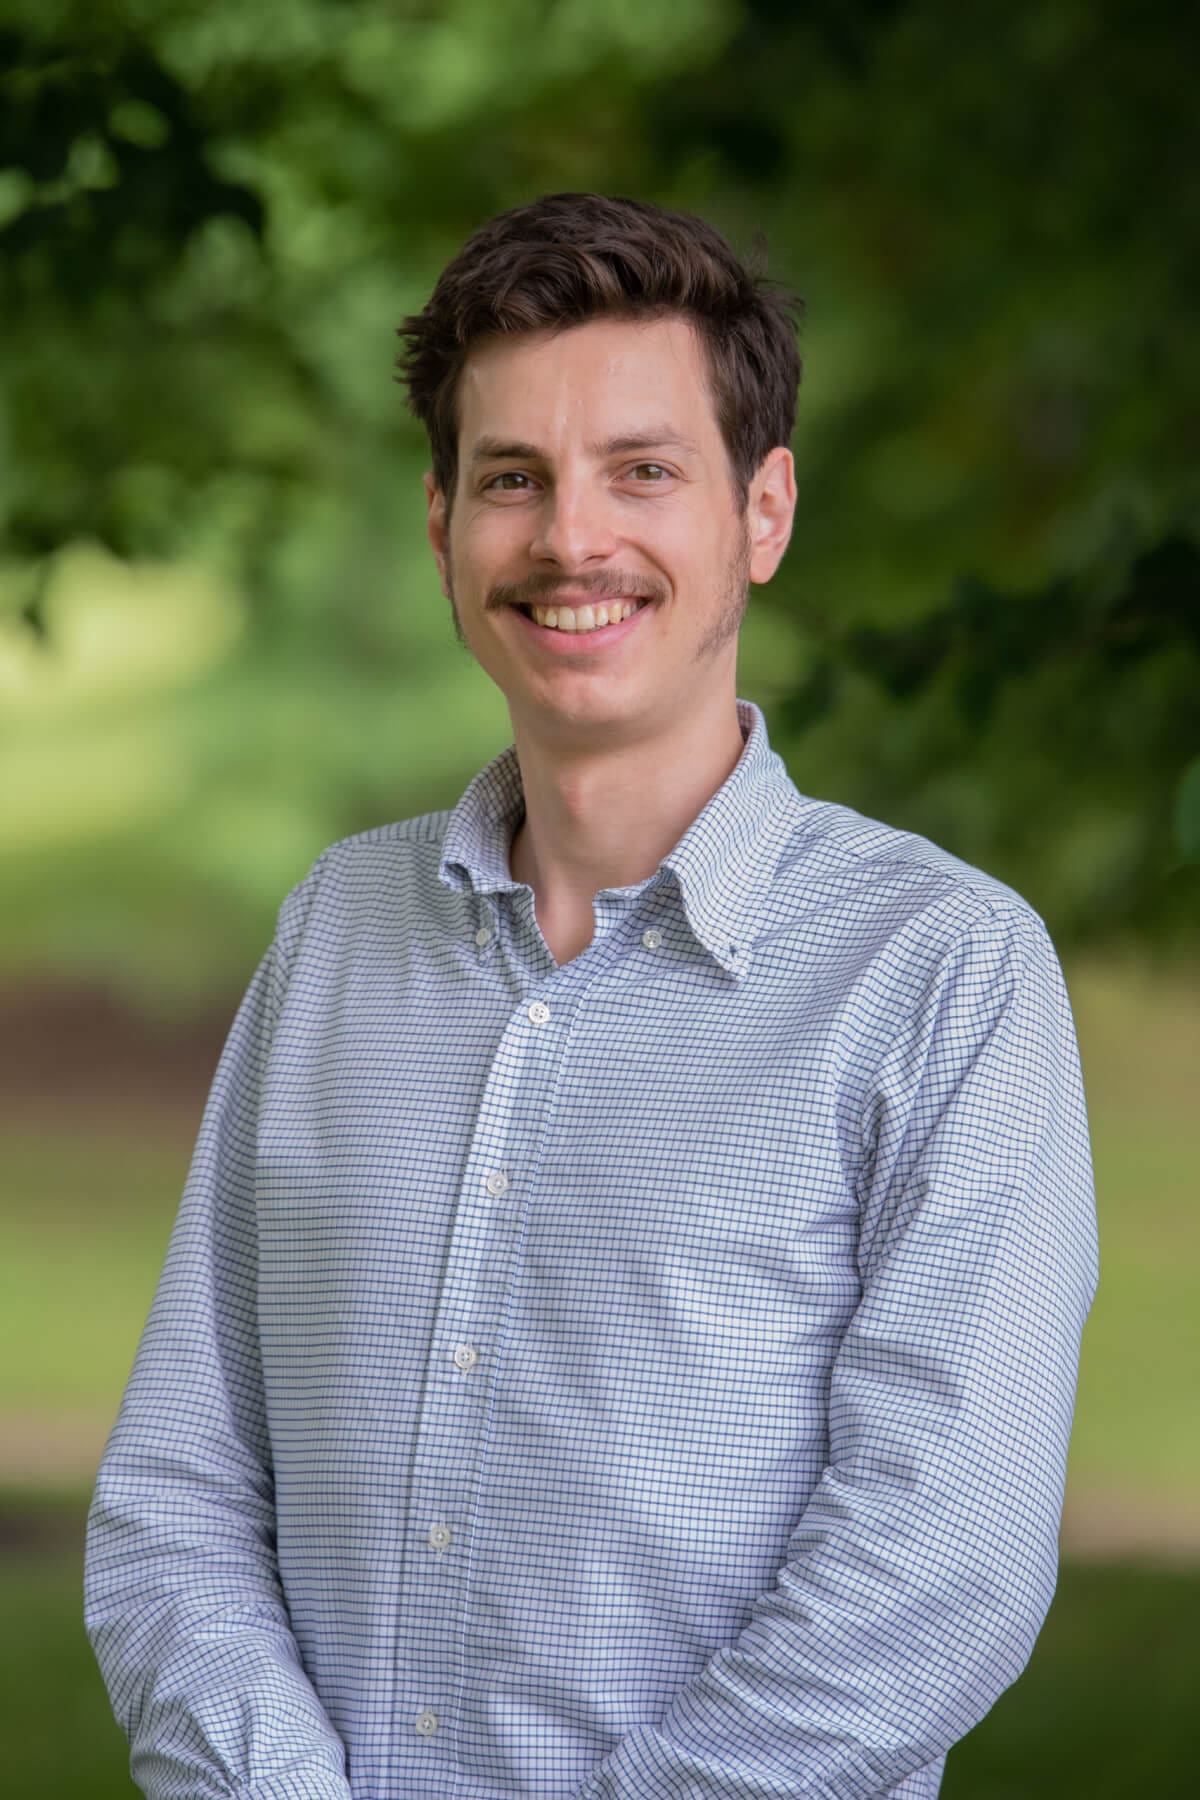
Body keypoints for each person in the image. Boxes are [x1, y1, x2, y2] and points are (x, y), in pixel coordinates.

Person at [85, 192, 1099, 1800]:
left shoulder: (942, 973)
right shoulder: (336, 930)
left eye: (644, 471)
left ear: (762, 512)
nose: (572, 539)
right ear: (442, 525)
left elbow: (932, 1578)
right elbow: (180, 1495)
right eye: (514, 478)